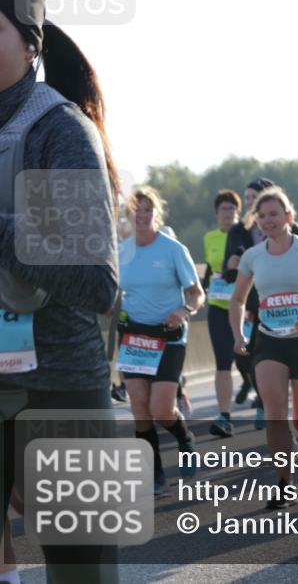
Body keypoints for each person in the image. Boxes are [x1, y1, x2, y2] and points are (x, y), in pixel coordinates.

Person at [0, 0, 121, 584]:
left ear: (31, 43)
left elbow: (95, 281)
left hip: (60, 387)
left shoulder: (58, 131)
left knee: (79, 574)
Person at [229, 187, 298, 509]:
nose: (268, 221)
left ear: (289, 216)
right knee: (275, 413)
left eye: (274, 214)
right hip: (269, 341)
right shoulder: (252, 257)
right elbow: (237, 299)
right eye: (262, 216)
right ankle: (285, 483)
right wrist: (238, 335)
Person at [117, 186, 204, 494]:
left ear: (156, 214)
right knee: (139, 407)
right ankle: (154, 472)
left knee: (161, 409)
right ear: (128, 214)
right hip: (134, 337)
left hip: (168, 337)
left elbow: (196, 294)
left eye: (147, 210)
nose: (141, 215)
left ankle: (184, 438)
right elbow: (115, 292)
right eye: (136, 210)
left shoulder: (172, 249)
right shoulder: (121, 251)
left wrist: (183, 309)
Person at [221, 178, 298, 428]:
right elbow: (229, 273)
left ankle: (282, 408)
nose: (249, 202)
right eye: (247, 198)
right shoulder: (239, 231)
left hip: (289, 308)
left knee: (283, 366)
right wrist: (231, 267)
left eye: (253, 198)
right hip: (253, 308)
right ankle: (266, 403)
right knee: (245, 358)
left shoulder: (294, 231)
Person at [202, 189, 246, 438]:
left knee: (247, 361)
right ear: (216, 213)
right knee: (222, 362)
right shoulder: (209, 237)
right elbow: (210, 267)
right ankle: (224, 415)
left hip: (243, 306)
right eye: (223, 209)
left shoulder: (245, 235)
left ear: (238, 213)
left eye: (232, 208)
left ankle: (262, 403)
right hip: (219, 306)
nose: (227, 213)